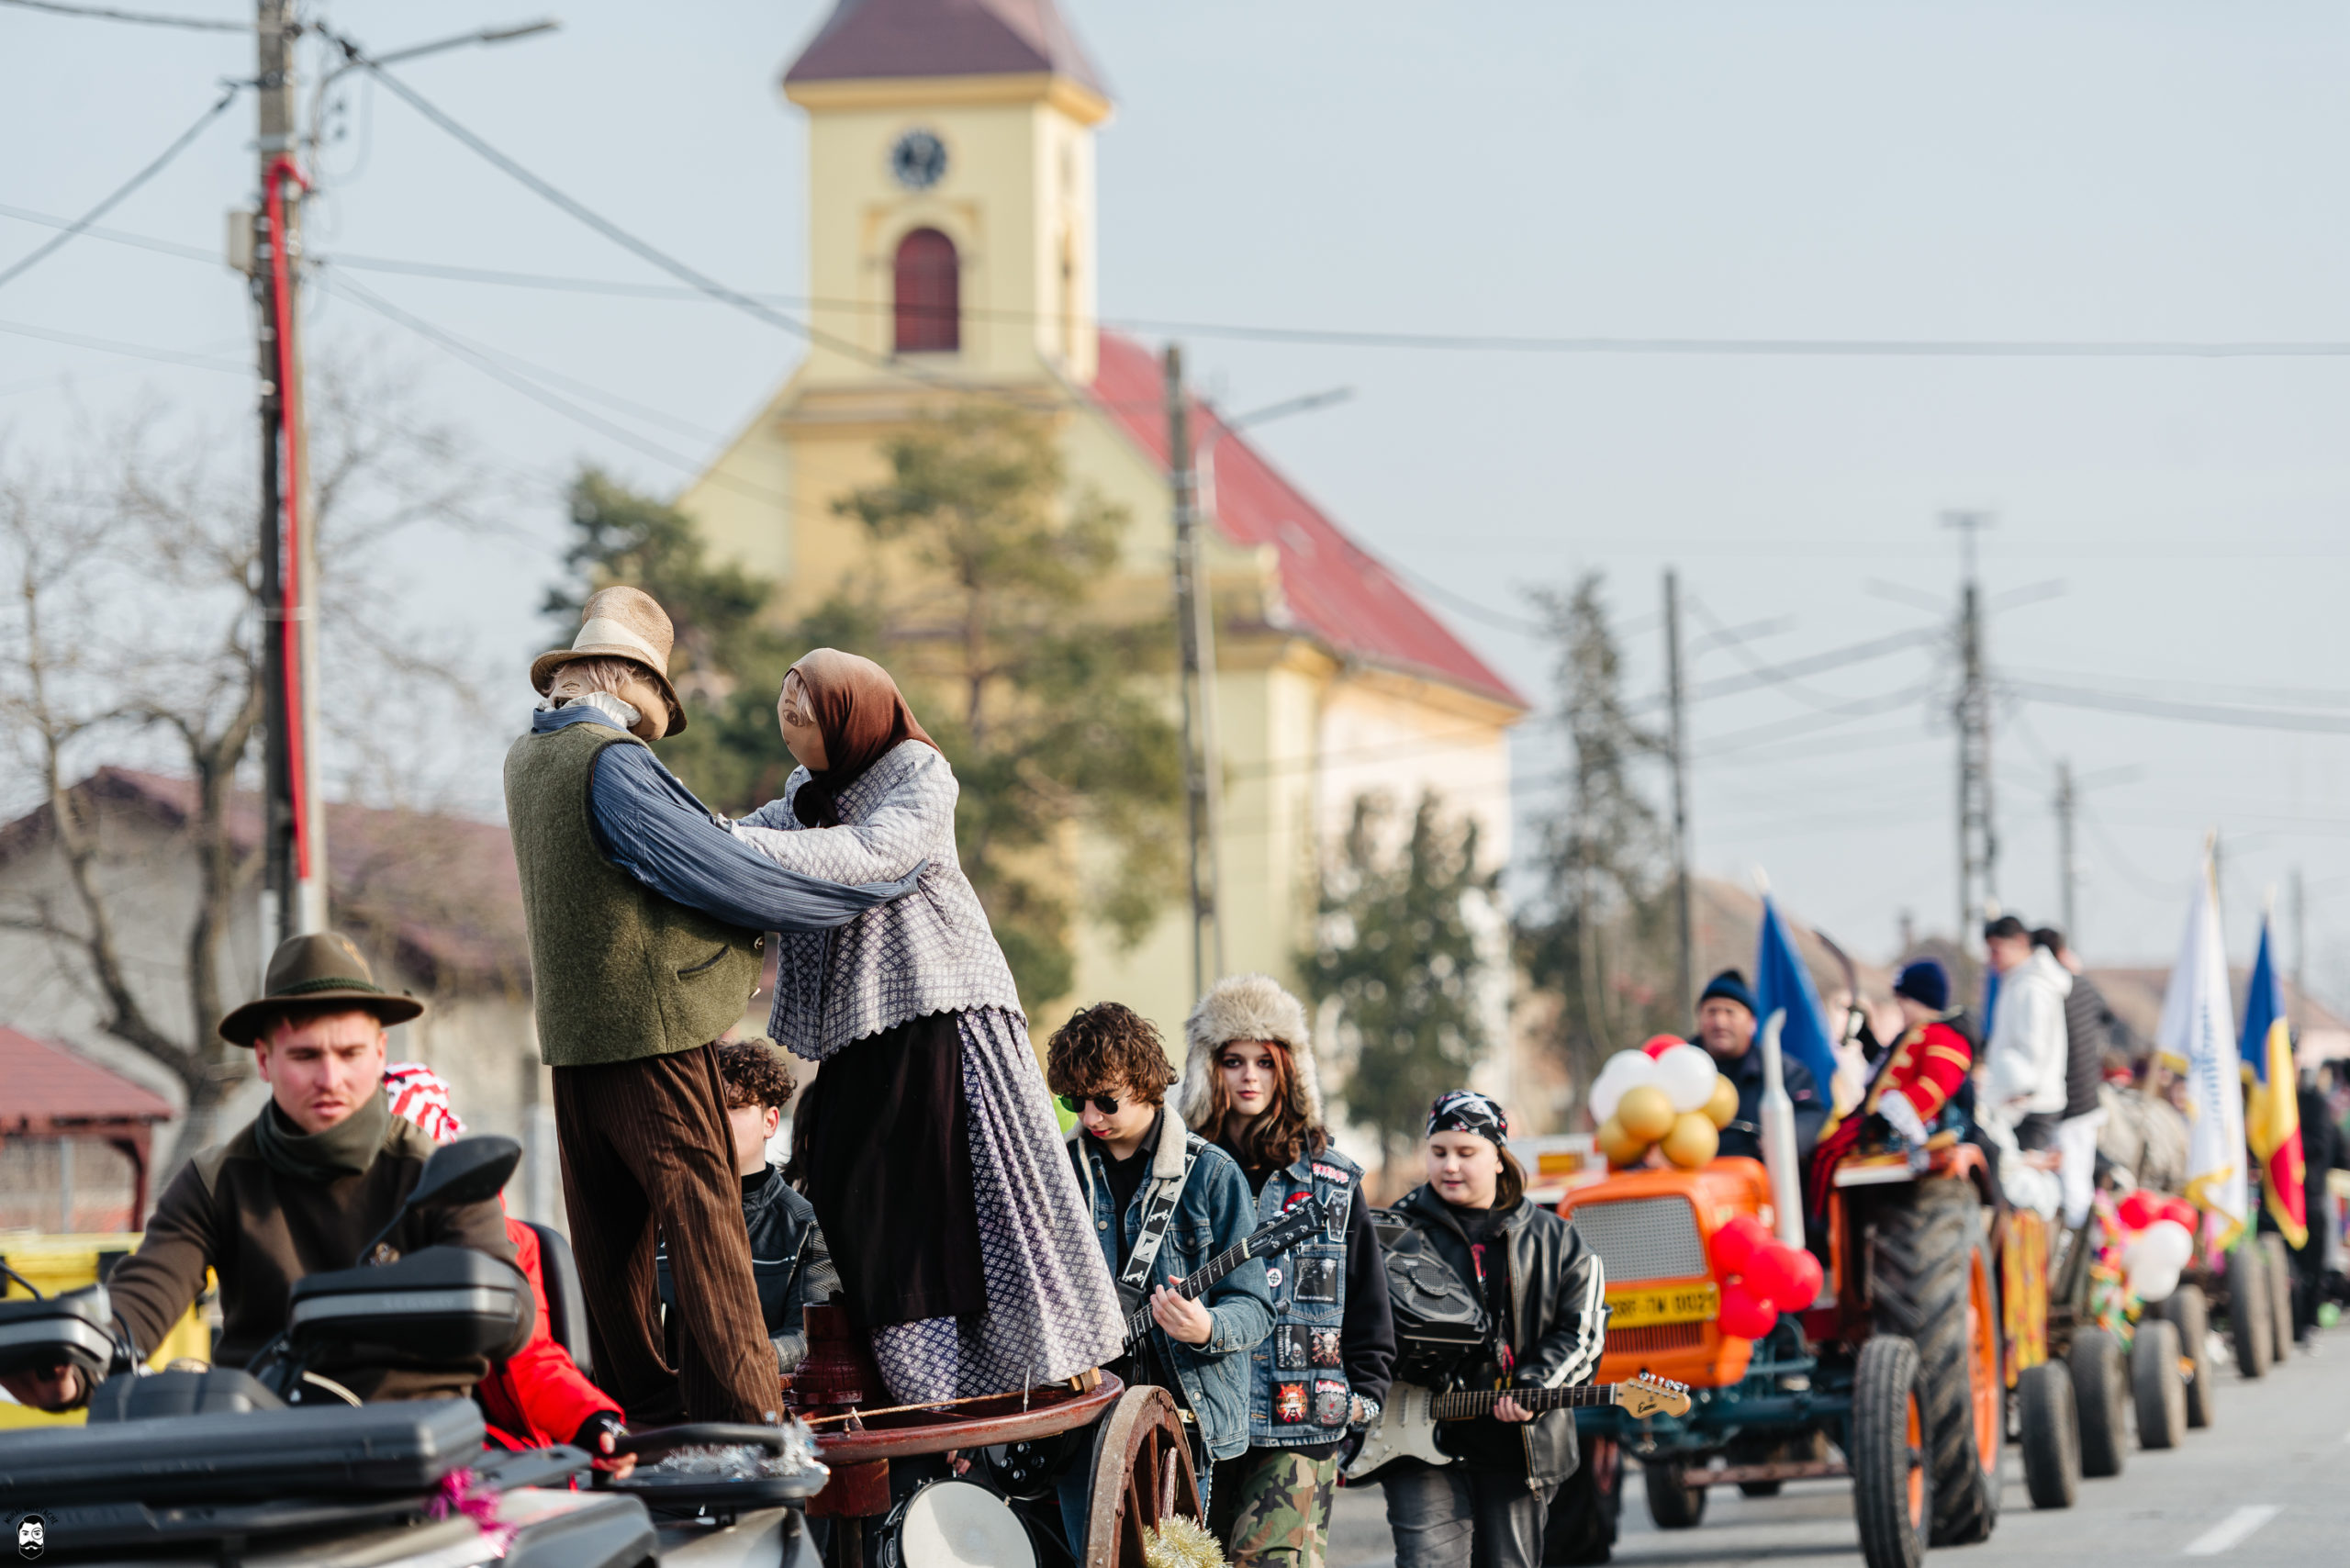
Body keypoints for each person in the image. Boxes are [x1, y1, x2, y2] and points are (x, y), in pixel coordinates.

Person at [507, 588, 918, 1428]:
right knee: (709, 1239)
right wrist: (858, 891)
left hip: (574, 1050)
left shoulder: (524, 759)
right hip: (651, 1038)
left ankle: (646, 1426)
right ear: (629, 683)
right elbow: (713, 869)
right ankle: (748, 1435)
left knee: (612, 1258)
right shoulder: (608, 760)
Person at [729, 650, 1125, 1402]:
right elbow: (749, 834)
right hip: (857, 1030)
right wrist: (700, 834)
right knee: (848, 1192)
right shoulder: (807, 794)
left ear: (854, 715)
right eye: (784, 702)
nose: (789, 718)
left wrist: (737, 845)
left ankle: (1004, 1362)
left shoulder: (919, 775)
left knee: (952, 1199)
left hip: (938, 1016)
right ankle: (889, 1371)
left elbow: (875, 853)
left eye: (804, 705)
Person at [0, 934, 528, 1413]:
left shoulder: (437, 1172)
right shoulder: (214, 1181)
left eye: (350, 1053)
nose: (330, 1078)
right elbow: (138, 1303)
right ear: (263, 1060)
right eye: (305, 1055)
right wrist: (74, 1367)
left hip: (419, 1447)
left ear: (380, 1053)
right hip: (263, 1445)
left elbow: (511, 1314)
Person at [1177, 975, 1396, 1568]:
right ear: (1208, 1069)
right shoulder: (1179, 1178)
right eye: (1233, 1060)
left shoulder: (1332, 1181)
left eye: (1265, 1062)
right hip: (1200, 1423)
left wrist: (1360, 1405)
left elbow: (1371, 1310)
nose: (1249, 1076)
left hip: (1300, 1427)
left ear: (1289, 1071)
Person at [1047, 1002, 1273, 1532]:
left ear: (1146, 1085)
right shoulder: (1058, 1176)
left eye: (1106, 1100)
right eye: (1072, 1100)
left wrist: (1207, 1327)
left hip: (1181, 1424)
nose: (1089, 1117)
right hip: (1081, 1424)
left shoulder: (1212, 1175)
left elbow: (1256, 1306)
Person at [1380, 1092, 1606, 1568]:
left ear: (1500, 1159)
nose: (1450, 1167)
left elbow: (1583, 1333)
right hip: (1414, 1438)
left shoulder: (1557, 1238)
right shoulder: (1391, 1231)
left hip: (1518, 1448)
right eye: (1439, 1152)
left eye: (1467, 1153)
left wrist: (1536, 1385)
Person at [381, 1061, 634, 1479]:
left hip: (472, 1445)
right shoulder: (329, 1225)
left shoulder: (511, 1243)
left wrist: (592, 1422)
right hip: (351, 1434)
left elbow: (529, 1360)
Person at [658, 1039, 840, 1377]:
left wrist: (732, 1365)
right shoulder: (660, 1218)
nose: (717, 1119)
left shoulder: (805, 1226)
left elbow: (807, 1337)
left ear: (771, 1122)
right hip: (660, 1412)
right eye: (707, 1106)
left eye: (735, 1106)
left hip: (757, 1411)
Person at [1808, 960, 1973, 1212]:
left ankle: (1818, 1219)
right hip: (1874, 1120)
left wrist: (1888, 1119)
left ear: (1917, 999)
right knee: (1821, 1151)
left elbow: (1936, 1085)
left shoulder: (1943, 1035)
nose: (1900, 1009)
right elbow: (1888, 1073)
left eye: (1902, 1002)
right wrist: (1866, 1038)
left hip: (1897, 1129)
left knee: (1828, 1154)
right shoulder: (1914, 1033)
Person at [1692, 969, 1827, 1167]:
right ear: (1700, 1020)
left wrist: (1786, 1139)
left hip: (1765, 1178)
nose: (1720, 1022)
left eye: (1730, 1012)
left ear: (1751, 1023)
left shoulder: (1785, 1070)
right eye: (1711, 1012)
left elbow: (1809, 1112)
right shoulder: (1682, 1066)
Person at [2036, 927, 2113, 1229]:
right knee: (2077, 1182)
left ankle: (2079, 1262)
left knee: (2071, 1189)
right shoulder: (2081, 985)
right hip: (2088, 1099)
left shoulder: (2047, 990)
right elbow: (2107, 1017)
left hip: (2066, 1103)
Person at [1980, 916, 2071, 1156]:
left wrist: (2015, 1094)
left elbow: (2034, 1050)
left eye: (1995, 950)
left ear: (2019, 942)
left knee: (2027, 1180)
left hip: (2030, 1104)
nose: (1991, 959)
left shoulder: (2032, 987)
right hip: (2021, 1100)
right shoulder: (2017, 983)